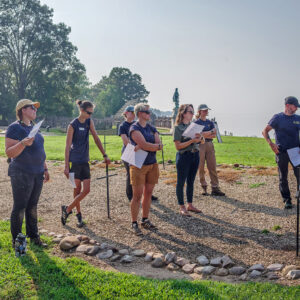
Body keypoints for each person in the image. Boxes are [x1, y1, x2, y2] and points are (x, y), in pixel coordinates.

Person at [5, 99, 49, 248]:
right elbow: (9, 152)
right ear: (23, 110)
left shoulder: (35, 128)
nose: (35, 110)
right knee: (20, 207)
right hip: (21, 173)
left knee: (32, 206)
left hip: (38, 172)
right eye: (32, 107)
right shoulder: (14, 128)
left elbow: (39, 150)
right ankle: (18, 244)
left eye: (36, 108)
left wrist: (45, 168)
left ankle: (34, 238)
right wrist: (23, 143)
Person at [62, 100, 111, 227]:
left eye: (92, 113)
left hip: (85, 161)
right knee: (77, 190)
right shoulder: (73, 125)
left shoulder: (89, 121)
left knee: (87, 190)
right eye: (89, 113)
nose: (91, 115)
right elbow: (67, 146)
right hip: (75, 162)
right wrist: (66, 166)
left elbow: (96, 137)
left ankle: (67, 209)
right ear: (82, 111)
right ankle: (78, 215)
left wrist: (104, 154)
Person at [129, 103, 162, 235]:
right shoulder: (134, 128)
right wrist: (153, 146)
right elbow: (145, 144)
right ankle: (134, 222)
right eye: (147, 112)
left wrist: (150, 146)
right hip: (138, 165)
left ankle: (145, 219)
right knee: (137, 195)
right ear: (140, 114)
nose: (150, 114)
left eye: (149, 112)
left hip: (152, 164)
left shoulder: (151, 127)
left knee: (148, 193)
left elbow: (158, 144)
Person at [262, 96, 300, 209]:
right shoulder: (277, 118)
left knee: (299, 175)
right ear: (288, 105)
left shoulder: (298, 118)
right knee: (283, 177)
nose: (296, 109)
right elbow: (265, 131)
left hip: (296, 152)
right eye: (295, 106)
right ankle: (287, 199)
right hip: (281, 151)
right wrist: (271, 144)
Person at [118, 105, 158, 202]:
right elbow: (125, 141)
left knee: (144, 174)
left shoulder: (138, 124)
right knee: (131, 175)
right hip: (129, 152)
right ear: (126, 113)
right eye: (130, 112)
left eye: (133, 112)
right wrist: (139, 145)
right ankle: (130, 196)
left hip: (141, 151)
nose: (132, 114)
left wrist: (142, 145)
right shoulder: (123, 126)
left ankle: (147, 193)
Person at [173, 104, 204, 216]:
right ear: (183, 113)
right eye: (190, 112)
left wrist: (199, 138)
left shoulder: (194, 126)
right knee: (181, 182)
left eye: (192, 111)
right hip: (184, 156)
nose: (192, 114)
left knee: (191, 181)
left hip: (195, 155)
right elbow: (178, 146)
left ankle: (190, 205)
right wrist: (191, 141)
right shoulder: (178, 128)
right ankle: (182, 206)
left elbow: (200, 141)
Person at [195, 104, 225, 196]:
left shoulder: (210, 122)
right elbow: (198, 135)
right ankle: (203, 187)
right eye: (204, 110)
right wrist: (210, 132)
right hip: (200, 145)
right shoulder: (196, 123)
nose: (206, 112)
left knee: (212, 166)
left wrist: (205, 133)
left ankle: (215, 188)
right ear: (199, 111)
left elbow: (214, 135)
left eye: (207, 110)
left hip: (210, 144)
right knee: (201, 167)